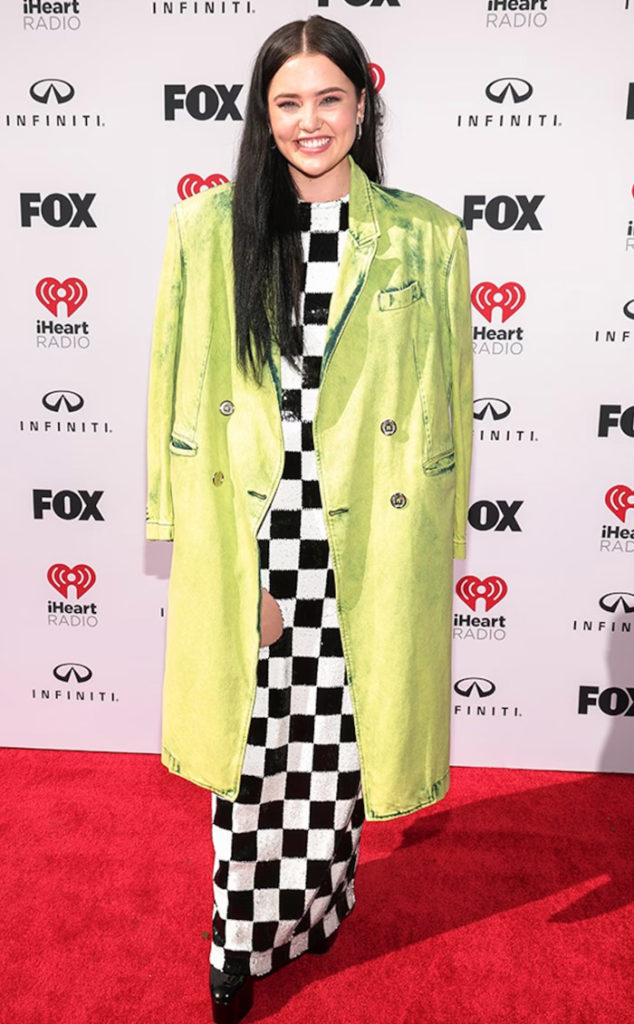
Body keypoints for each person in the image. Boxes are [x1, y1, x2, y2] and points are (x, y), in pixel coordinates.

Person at [146, 15, 473, 1024]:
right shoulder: (207, 229)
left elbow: (451, 402)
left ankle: (322, 904)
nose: (310, 120)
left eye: (329, 97)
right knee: (252, 751)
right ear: (263, 114)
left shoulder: (427, 235)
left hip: (373, 531)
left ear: (362, 106)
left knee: (341, 737)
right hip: (256, 527)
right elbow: (172, 383)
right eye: (287, 102)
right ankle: (237, 941)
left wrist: (440, 540)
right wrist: (189, 535)